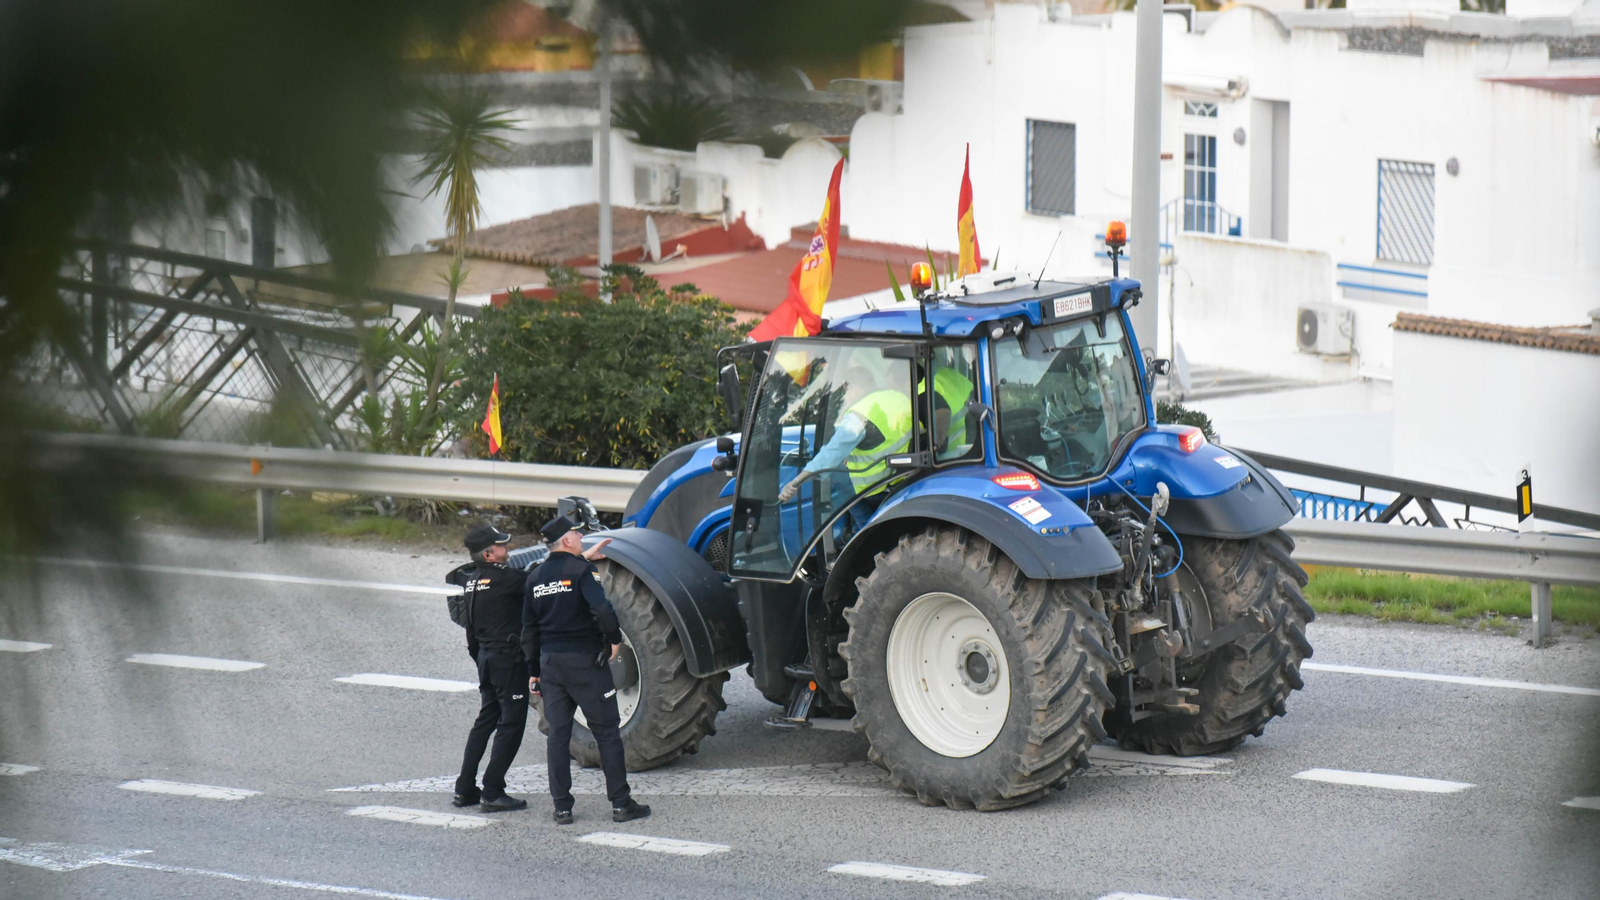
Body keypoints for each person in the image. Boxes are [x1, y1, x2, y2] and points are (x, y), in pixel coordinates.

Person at [523, 515, 650, 826]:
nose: (580, 537)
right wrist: (615, 640)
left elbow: (528, 629)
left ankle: (562, 808)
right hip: (584, 664)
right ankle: (621, 804)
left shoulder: (535, 577)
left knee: (558, 735)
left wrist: (533, 671)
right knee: (607, 733)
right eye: (576, 534)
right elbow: (602, 610)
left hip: (551, 665)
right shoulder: (582, 571)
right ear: (566, 541)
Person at [778, 364, 913, 534]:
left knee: (835, 475)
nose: (845, 396)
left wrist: (796, 482)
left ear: (856, 387)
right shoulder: (897, 398)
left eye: (846, 390)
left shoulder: (860, 414)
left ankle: (864, 529)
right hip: (900, 477)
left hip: (875, 487)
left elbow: (831, 454)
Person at [452, 525, 531, 812]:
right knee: (511, 724)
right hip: (506, 660)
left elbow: (470, 632)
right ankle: (493, 791)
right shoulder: (507, 579)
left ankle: (464, 789)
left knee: (486, 720)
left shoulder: (471, 582)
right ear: (489, 554)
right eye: (501, 546)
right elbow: (540, 581)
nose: (506, 550)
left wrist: (483, 659)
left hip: (486, 657)